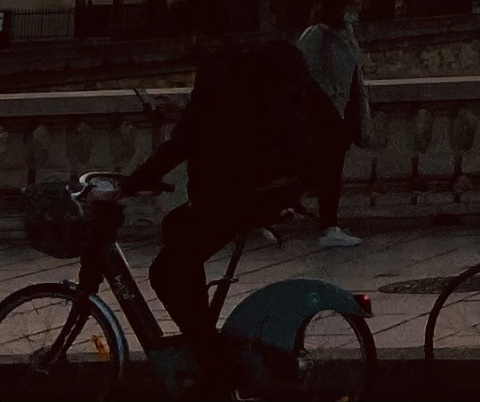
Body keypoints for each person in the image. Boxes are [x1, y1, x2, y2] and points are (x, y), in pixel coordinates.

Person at [124, 38, 334, 394]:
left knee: (164, 272)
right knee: (175, 229)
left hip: (241, 194)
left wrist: (135, 181)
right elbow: (223, 126)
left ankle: (214, 362)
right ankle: (202, 334)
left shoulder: (218, 71)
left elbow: (185, 141)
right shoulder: (246, 64)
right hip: (269, 186)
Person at [295, 0, 372, 248]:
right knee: (326, 171)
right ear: (338, 6)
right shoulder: (318, 34)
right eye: (353, 5)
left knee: (330, 171)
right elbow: (304, 71)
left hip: (342, 111)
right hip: (325, 113)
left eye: (359, 5)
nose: (357, 10)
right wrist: (328, 97)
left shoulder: (344, 32)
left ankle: (329, 224)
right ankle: (328, 227)